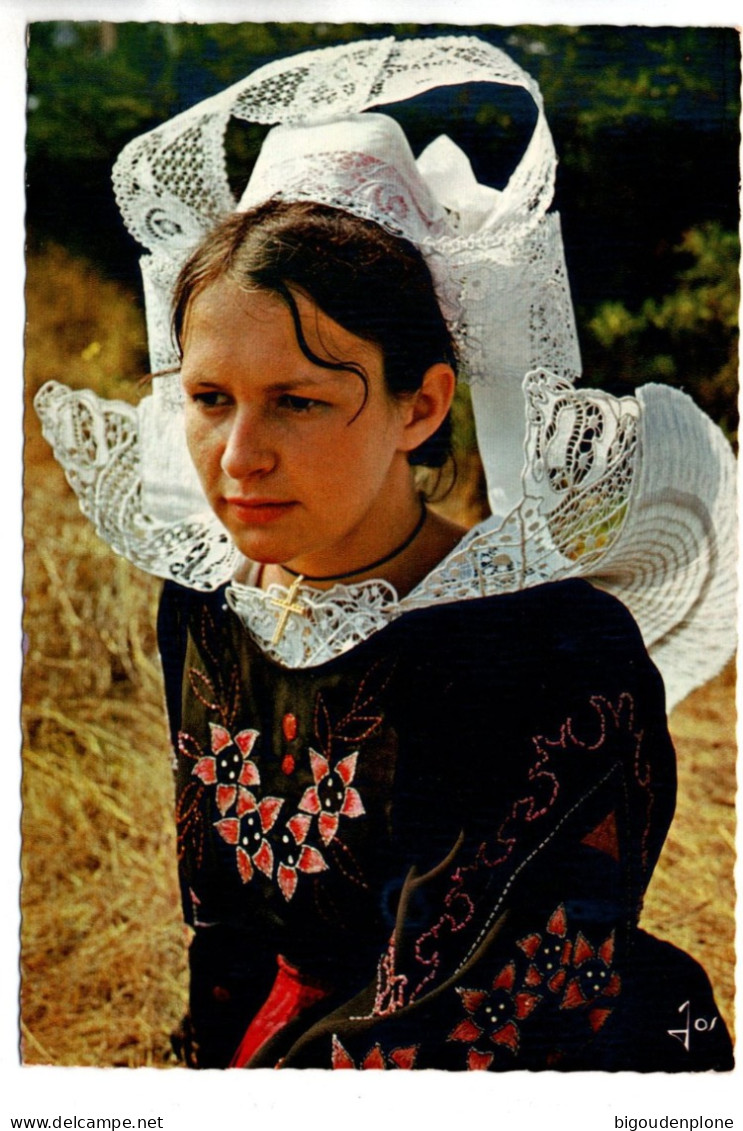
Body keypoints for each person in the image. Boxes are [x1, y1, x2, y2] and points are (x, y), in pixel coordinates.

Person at [35, 34, 735, 1071]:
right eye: (210, 400)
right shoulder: (211, 609)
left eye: (299, 401)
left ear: (422, 404)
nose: (239, 457)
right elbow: (226, 937)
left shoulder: (546, 654)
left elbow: (468, 1010)